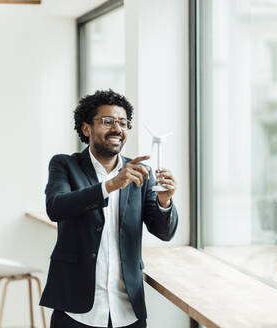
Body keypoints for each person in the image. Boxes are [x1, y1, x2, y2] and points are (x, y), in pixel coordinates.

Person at [40, 89, 178, 328]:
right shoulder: (65, 164)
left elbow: (163, 232)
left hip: (127, 310)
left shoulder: (140, 173)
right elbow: (56, 207)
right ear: (86, 128)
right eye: (107, 121)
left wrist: (164, 202)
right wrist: (110, 185)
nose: (117, 129)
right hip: (76, 310)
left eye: (123, 123)